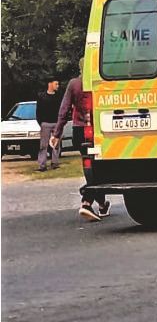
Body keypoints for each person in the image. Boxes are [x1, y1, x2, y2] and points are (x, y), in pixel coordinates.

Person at [51, 65, 111, 221]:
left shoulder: (74, 84)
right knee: (99, 169)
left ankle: (102, 204)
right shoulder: (102, 81)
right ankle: (87, 201)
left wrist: (57, 133)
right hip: (99, 130)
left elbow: (64, 109)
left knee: (90, 167)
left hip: (80, 131)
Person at [35, 77, 62, 172]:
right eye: (56, 84)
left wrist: (60, 122)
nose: (58, 86)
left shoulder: (59, 96)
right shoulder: (42, 97)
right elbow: (38, 111)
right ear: (50, 84)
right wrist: (41, 123)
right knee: (43, 145)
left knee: (56, 144)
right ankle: (42, 165)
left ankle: (55, 163)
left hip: (56, 123)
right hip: (45, 123)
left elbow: (61, 110)